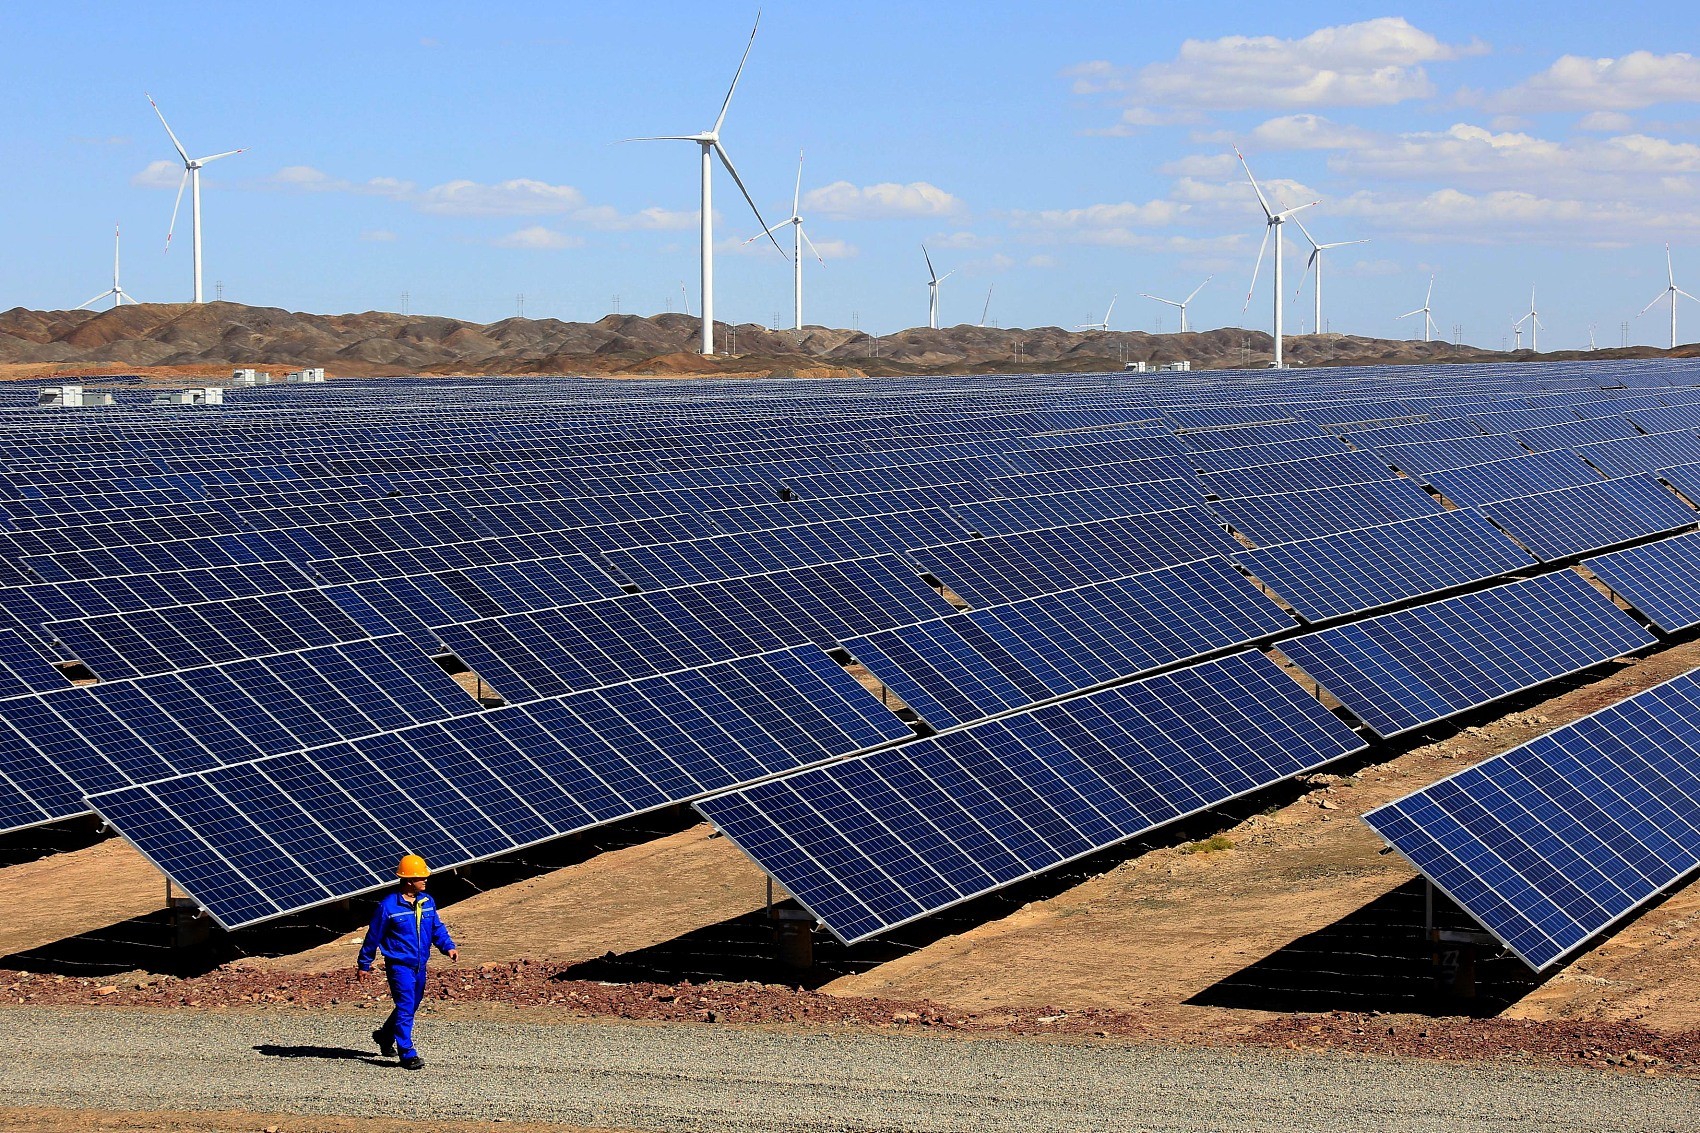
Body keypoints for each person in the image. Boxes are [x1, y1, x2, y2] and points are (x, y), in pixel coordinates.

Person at [357, 854, 459, 1069]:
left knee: (411, 1005)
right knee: (405, 1006)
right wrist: (364, 964)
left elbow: (436, 928)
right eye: (421, 877)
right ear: (408, 880)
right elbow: (373, 936)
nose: (426, 880)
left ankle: (385, 1036)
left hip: (420, 966)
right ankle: (407, 1053)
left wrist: (447, 946)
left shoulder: (427, 901)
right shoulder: (388, 907)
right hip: (399, 966)